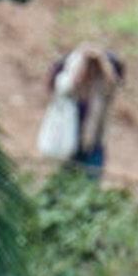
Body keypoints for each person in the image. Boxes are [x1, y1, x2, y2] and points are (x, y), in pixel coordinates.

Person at [49, 45, 124, 179]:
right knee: (64, 180)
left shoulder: (101, 92)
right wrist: (81, 56)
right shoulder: (71, 90)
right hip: (67, 144)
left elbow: (113, 82)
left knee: (89, 182)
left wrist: (101, 58)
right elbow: (68, 84)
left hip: (92, 145)